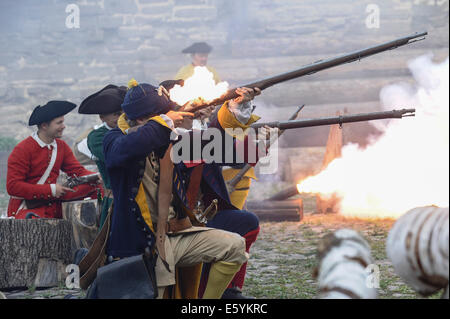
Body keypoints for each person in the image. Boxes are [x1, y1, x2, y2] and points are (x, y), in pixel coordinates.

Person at [102, 79, 250, 299]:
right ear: (143, 119)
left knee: (234, 246)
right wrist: (163, 122)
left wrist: (235, 108)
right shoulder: (114, 139)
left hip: (176, 235)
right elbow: (125, 149)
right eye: (163, 114)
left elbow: (217, 148)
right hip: (141, 245)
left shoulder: (170, 138)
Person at [7, 101, 100, 219]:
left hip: (54, 205)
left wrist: (98, 176)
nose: (63, 126)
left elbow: (78, 171)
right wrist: (50, 190)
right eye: (59, 123)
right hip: (28, 209)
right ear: (44, 125)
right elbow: (13, 187)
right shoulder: (23, 149)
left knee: (97, 186)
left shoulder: (61, 146)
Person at [78, 84, 127, 228]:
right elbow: (118, 156)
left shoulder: (129, 130)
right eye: (117, 114)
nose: (121, 118)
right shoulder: (96, 137)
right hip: (116, 201)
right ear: (102, 117)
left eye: (123, 113)